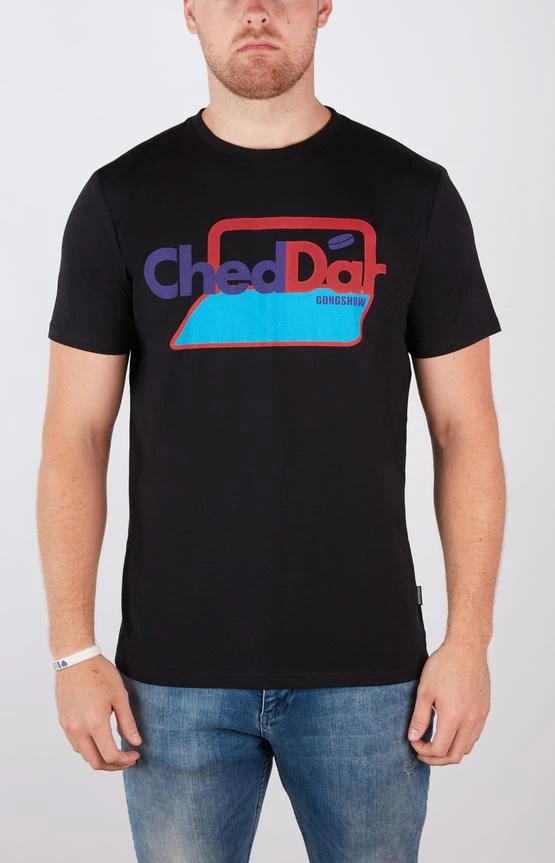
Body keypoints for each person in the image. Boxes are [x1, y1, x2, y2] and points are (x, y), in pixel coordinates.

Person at [37, 1, 505, 860]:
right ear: (189, 10)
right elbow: (76, 434)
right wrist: (74, 650)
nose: (255, 11)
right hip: (172, 678)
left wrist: (468, 640)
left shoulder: (413, 194)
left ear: (324, 6)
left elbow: (463, 428)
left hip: (371, 674)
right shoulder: (121, 198)